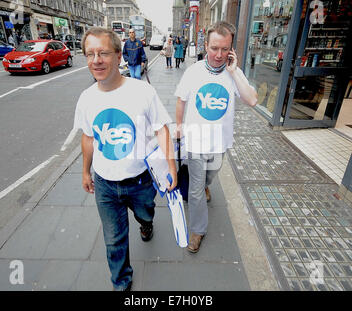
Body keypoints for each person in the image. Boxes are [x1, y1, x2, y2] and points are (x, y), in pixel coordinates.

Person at [74, 27, 177, 291]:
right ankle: (121, 284)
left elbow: (162, 129)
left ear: (119, 56)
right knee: (114, 240)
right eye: (90, 54)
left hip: (140, 180)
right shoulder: (86, 99)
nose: (96, 60)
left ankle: (146, 223)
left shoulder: (142, 92)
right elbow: (88, 138)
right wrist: (86, 172)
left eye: (103, 53)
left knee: (146, 213)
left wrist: (171, 167)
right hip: (105, 184)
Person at [174, 21, 258, 253]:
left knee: (209, 177)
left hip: (219, 142)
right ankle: (197, 230)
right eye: (214, 48)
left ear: (231, 49)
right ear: (206, 46)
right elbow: (181, 100)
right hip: (194, 141)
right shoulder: (193, 72)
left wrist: (234, 72)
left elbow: (251, 100)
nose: (219, 55)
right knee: (195, 189)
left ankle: (206, 187)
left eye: (224, 49)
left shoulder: (234, 73)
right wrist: (179, 126)